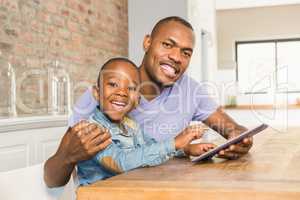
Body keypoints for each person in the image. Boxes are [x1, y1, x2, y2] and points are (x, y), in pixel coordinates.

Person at [44, 16, 252, 188]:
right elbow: (55, 177)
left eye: (185, 53)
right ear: (147, 43)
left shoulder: (133, 123)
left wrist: (240, 139)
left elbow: (148, 146)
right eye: (168, 44)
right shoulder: (99, 108)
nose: (176, 57)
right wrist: (66, 156)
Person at [76, 57, 214, 185]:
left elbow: (151, 147)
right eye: (113, 84)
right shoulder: (91, 129)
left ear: (138, 99)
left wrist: (185, 149)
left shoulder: (130, 124)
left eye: (131, 88)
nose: (122, 92)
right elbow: (120, 162)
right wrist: (174, 143)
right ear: (96, 92)